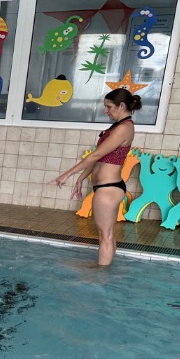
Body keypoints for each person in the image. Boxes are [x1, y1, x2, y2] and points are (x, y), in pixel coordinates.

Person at [52, 88, 140, 265]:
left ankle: (101, 273)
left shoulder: (124, 127)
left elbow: (95, 155)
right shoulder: (117, 126)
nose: (105, 110)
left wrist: (67, 174)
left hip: (108, 188)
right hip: (107, 187)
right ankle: (104, 269)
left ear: (121, 106)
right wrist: (81, 177)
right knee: (107, 234)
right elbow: (100, 157)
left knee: (105, 235)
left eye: (109, 107)